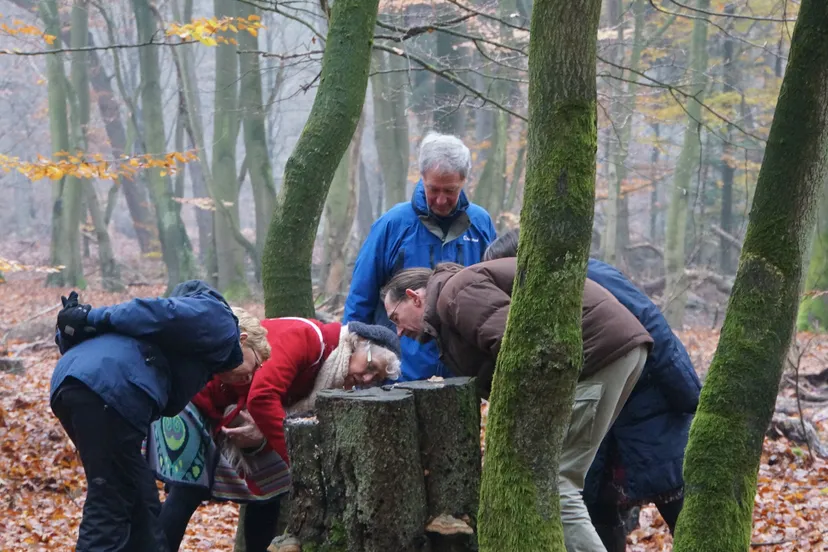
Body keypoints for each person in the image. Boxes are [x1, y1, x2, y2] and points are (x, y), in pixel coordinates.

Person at [381, 259, 653, 552]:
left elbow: (520, 349)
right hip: (612, 350)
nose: (398, 332)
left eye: (395, 318)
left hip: (597, 354)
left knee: (555, 484)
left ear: (414, 297)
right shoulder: (455, 297)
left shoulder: (457, 292)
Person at [483, 228, 701, 551]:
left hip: (647, 408)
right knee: (597, 507)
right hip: (603, 418)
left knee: (677, 500)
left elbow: (653, 327)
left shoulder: (592, 277)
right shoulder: (536, 298)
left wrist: (687, 394)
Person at [152, 315, 402, 552]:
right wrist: (301, 464)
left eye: (375, 378)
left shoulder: (330, 368)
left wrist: (267, 437)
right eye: (371, 366)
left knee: (269, 488)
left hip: (222, 407)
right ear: (357, 342)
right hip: (189, 396)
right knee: (188, 488)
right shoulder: (308, 338)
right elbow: (262, 396)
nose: (366, 378)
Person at [49, 280, 247, 552]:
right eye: (258, 363)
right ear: (245, 339)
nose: (253, 374)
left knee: (140, 500)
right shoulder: (219, 320)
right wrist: (89, 316)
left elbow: (91, 340)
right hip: (107, 389)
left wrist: (71, 327)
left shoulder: (161, 340)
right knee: (110, 500)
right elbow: (162, 313)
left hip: (75, 386)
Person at [343, 131, 497, 382]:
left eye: (450, 190)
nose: (441, 199)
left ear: (464, 181)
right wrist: (349, 357)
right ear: (421, 178)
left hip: (462, 374)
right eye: (433, 189)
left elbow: (492, 297)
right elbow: (361, 297)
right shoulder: (393, 224)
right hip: (399, 372)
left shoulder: (480, 224)